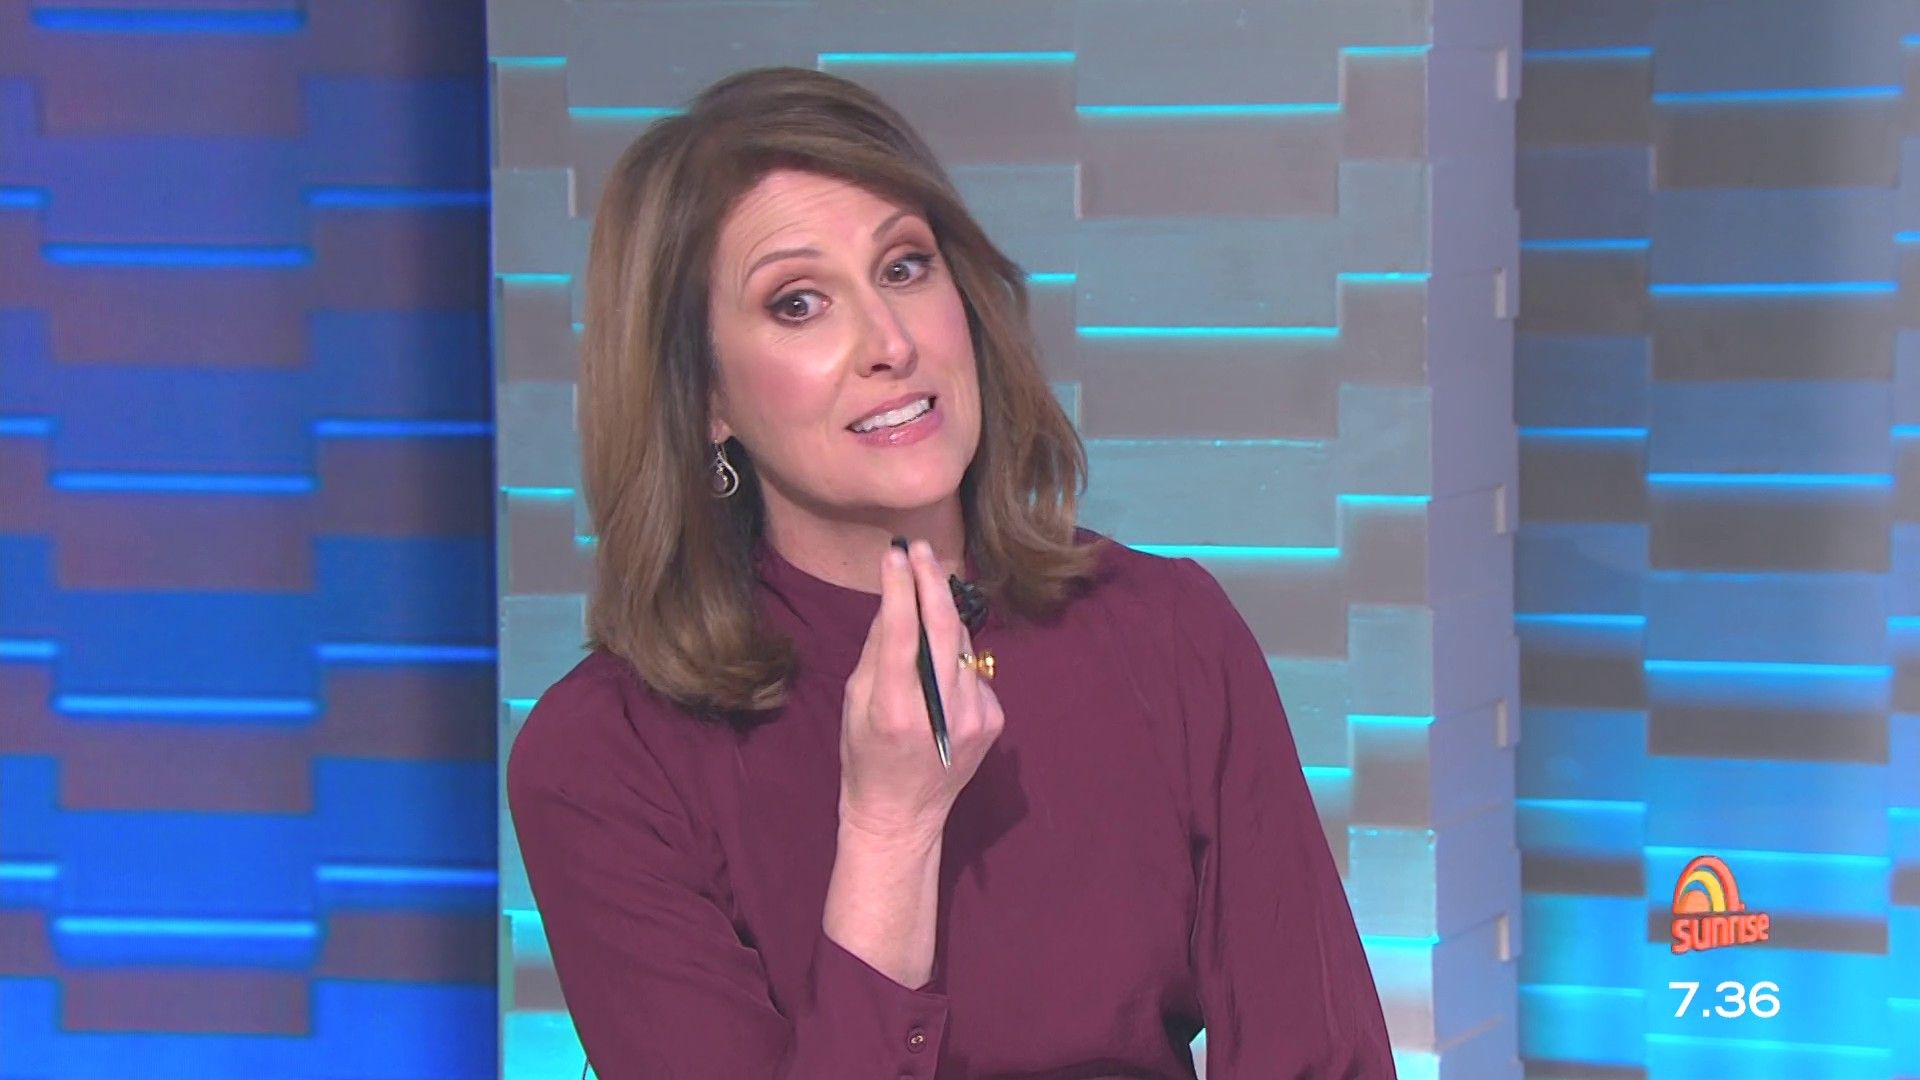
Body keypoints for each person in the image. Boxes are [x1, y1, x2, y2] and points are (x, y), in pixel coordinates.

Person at [506, 65, 1395, 1079]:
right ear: (706, 398)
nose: (889, 344)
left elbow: (1322, 1059)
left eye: (904, 267)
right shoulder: (604, 762)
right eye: (799, 303)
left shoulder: (1167, 632)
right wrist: (888, 833)